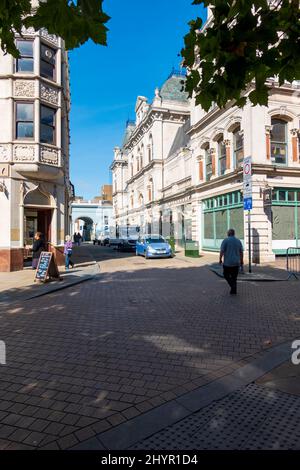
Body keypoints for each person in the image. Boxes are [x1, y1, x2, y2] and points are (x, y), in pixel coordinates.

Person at [219, 228, 244, 295]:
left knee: (226, 275)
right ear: (234, 234)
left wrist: (220, 259)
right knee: (234, 277)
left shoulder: (225, 240)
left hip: (227, 263)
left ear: (228, 234)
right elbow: (241, 252)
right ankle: (234, 290)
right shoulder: (238, 241)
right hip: (236, 263)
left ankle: (232, 286)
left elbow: (222, 251)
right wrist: (241, 261)